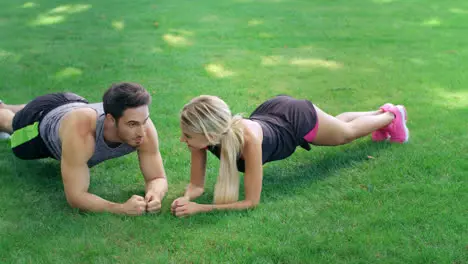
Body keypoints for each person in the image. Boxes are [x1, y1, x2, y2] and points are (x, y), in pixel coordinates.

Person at [171, 95, 408, 217]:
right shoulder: (203, 141)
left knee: (345, 134)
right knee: (335, 125)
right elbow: (196, 185)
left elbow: (251, 202)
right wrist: (186, 198)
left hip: (294, 119)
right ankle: (380, 112)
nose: (183, 140)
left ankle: (392, 116)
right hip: (274, 112)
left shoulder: (249, 141)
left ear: (210, 133)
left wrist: (200, 209)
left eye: (187, 135)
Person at [0, 82, 168, 216]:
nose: (141, 132)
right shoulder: (82, 133)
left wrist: (155, 194)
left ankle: (6, 105)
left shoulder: (143, 126)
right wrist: (120, 208)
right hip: (39, 123)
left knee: (29, 109)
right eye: (132, 124)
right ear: (110, 119)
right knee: (11, 123)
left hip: (73, 103)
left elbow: (157, 177)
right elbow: (76, 196)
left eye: (144, 121)